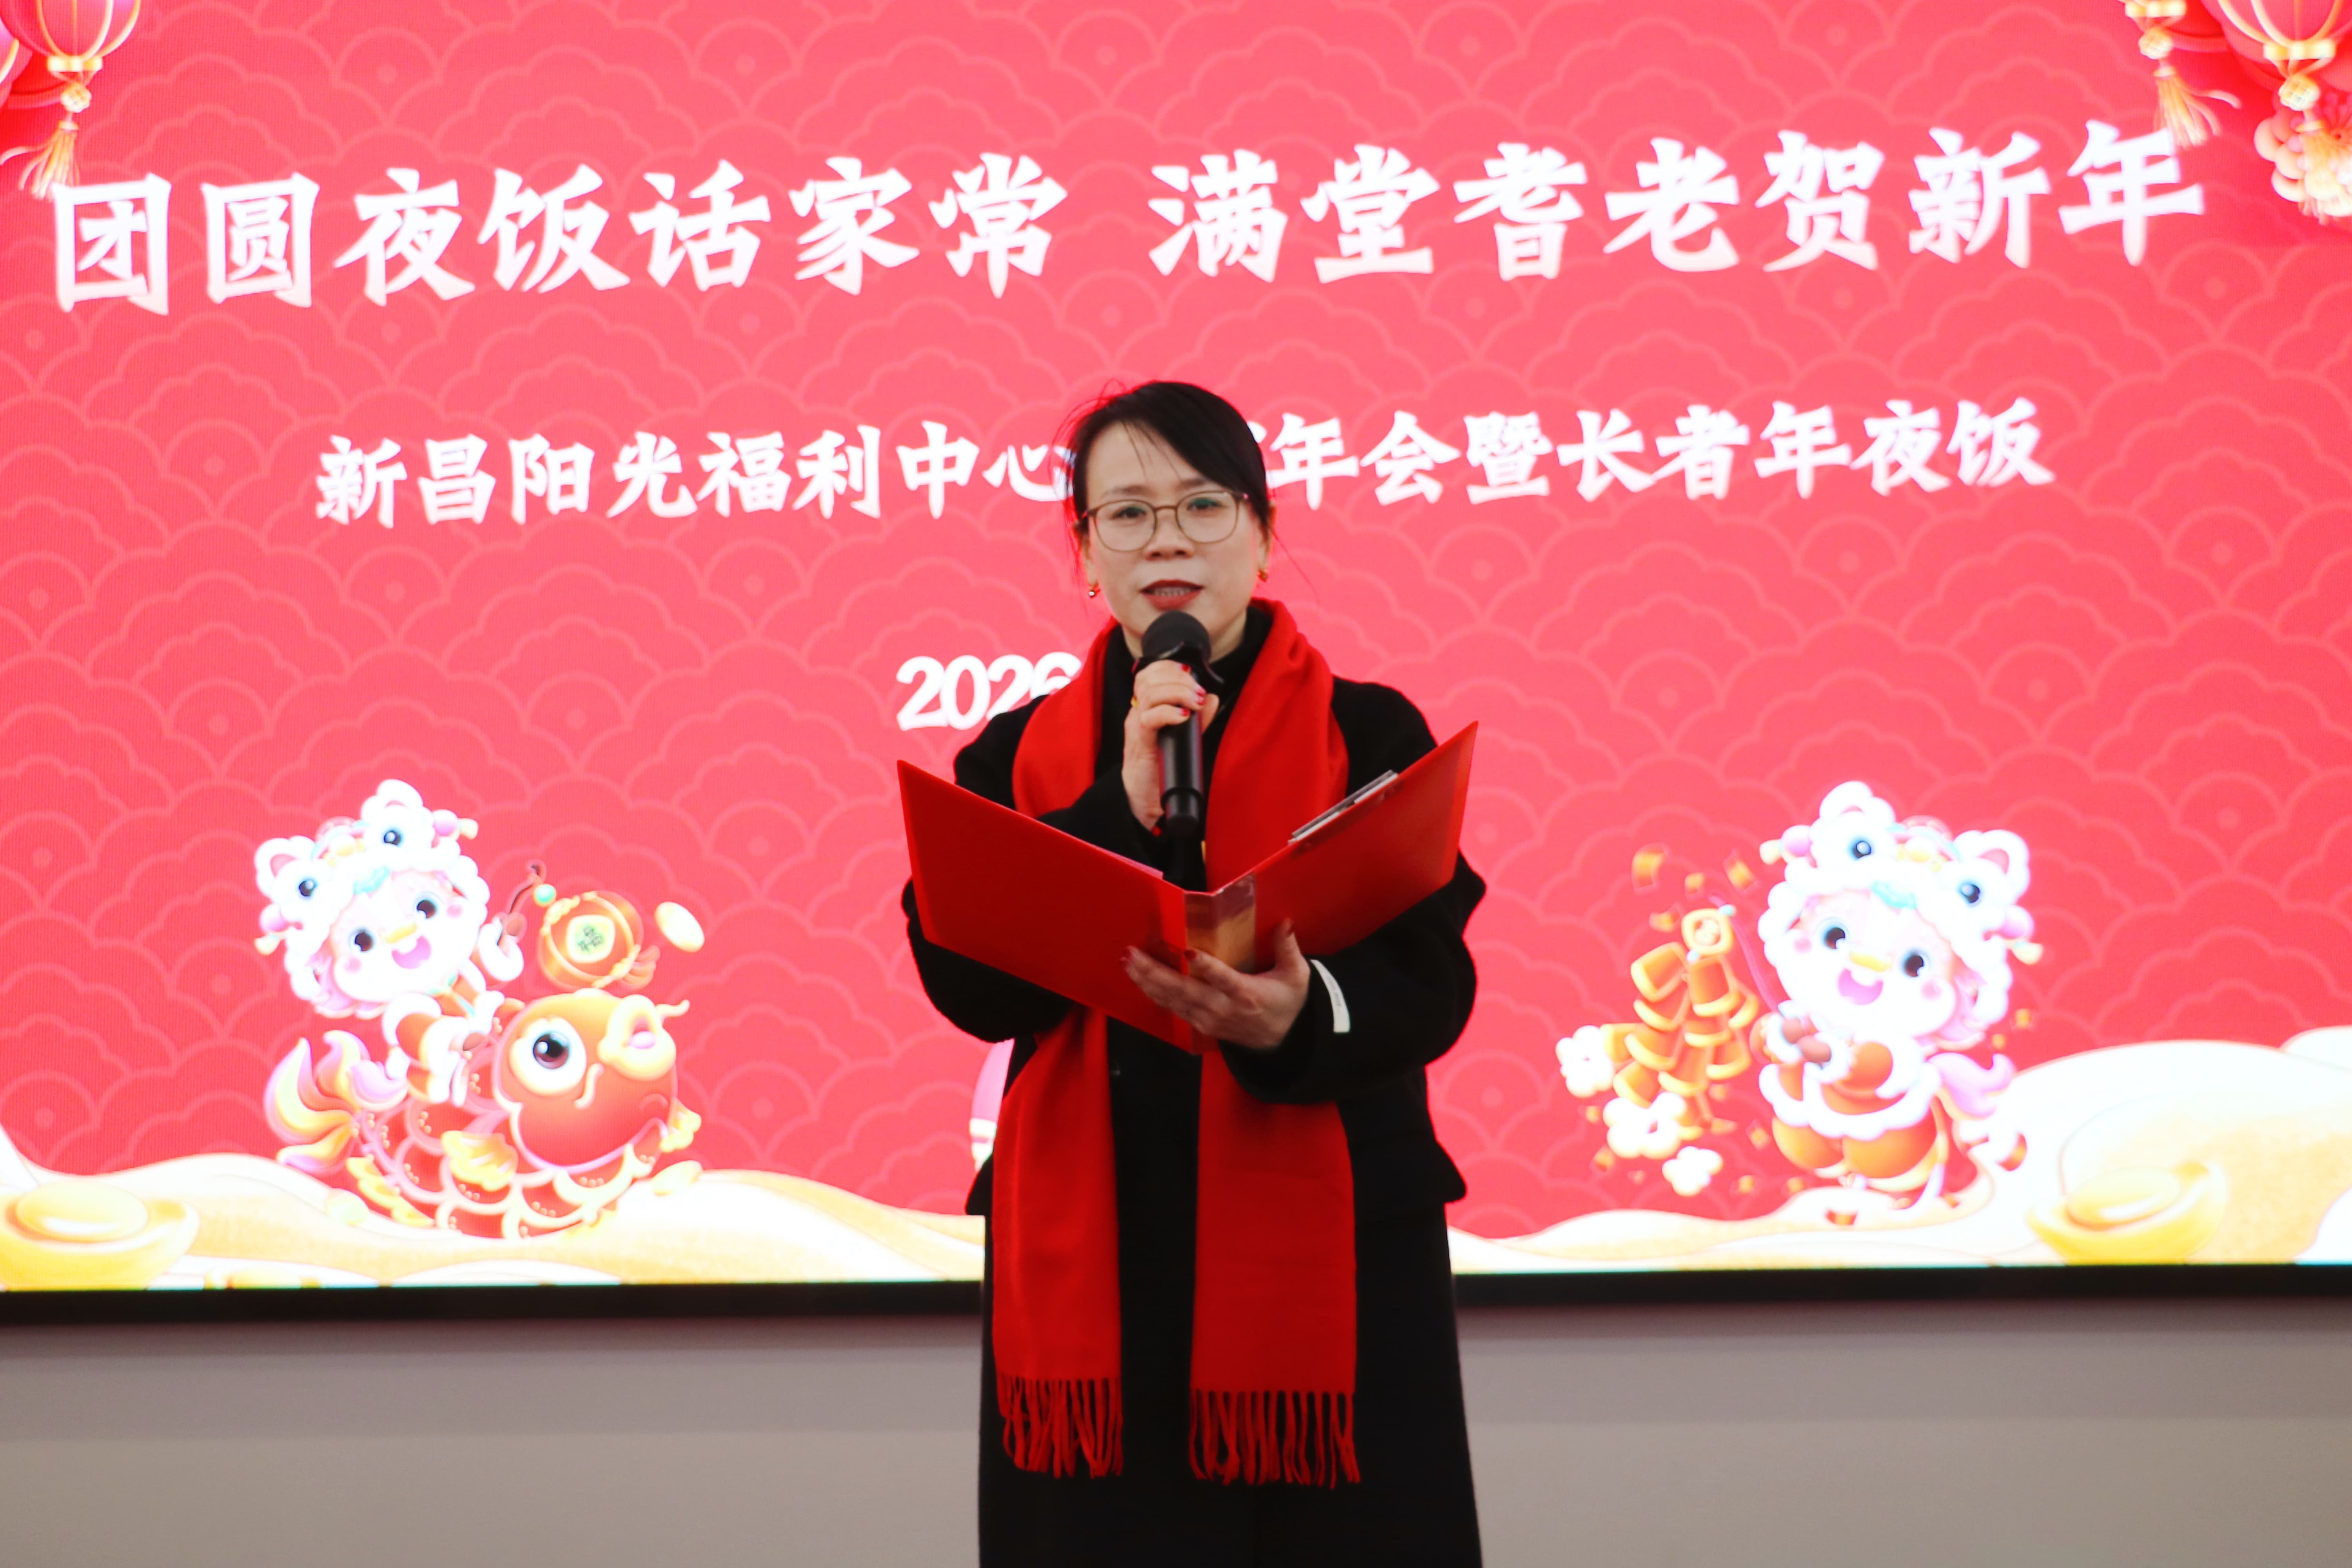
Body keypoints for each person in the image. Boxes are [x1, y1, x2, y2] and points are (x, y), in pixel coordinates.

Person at [902, 380, 1485, 1566]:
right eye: (1126, 514)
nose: (1166, 539)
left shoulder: (1371, 735)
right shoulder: (1011, 760)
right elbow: (969, 985)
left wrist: (1299, 1015)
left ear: (1263, 536)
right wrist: (1112, 816)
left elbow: (1431, 981)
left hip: (1338, 1273)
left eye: (1203, 505)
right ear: (1085, 554)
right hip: (1100, 1275)